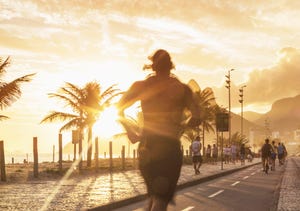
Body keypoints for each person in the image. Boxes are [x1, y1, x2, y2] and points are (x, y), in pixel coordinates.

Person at [117, 49, 202, 211]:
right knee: (160, 199)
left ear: (152, 66)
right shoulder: (182, 89)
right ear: (171, 66)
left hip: (147, 147)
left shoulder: (140, 86)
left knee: (155, 196)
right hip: (170, 148)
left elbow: (118, 109)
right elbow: (197, 117)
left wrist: (130, 132)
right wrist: (182, 127)